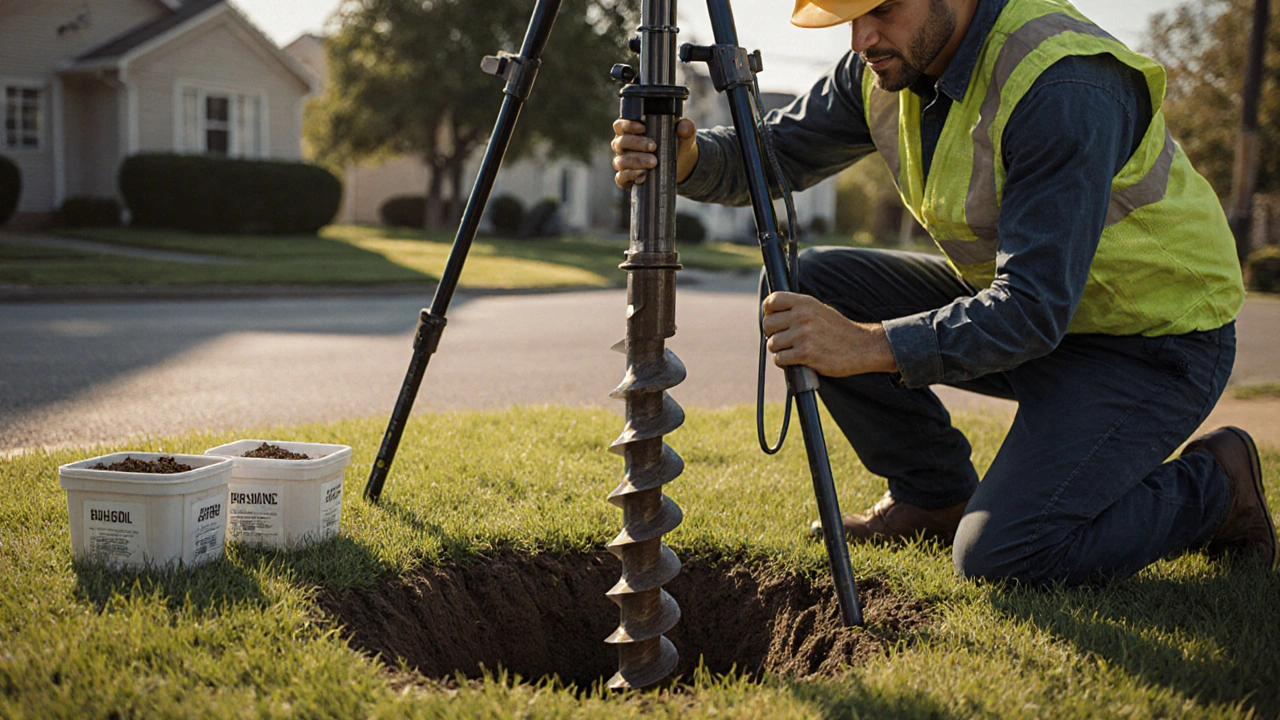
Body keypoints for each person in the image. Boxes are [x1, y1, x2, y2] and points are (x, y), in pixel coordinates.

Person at [610, 0, 1276, 584]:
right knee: (811, 282)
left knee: (1009, 556)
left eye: (883, 9)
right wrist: (690, 157)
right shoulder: (883, 68)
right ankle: (934, 497)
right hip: (1040, 322)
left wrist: (869, 345)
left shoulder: (1063, 83)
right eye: (850, 17)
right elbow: (771, 158)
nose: (861, 38)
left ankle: (1218, 488)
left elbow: (1032, 308)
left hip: (1152, 345)